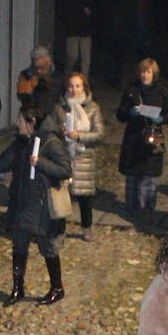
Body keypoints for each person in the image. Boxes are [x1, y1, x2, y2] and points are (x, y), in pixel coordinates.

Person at [1, 103, 72, 306]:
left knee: (48, 247)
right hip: (22, 202)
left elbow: (65, 169)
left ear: (31, 122)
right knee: (18, 244)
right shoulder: (22, 142)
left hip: (41, 206)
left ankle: (57, 288)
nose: (16, 123)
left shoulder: (51, 142)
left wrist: (40, 163)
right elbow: (6, 160)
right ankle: (17, 287)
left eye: (20, 120)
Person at [116, 58, 168, 213]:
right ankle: (131, 207)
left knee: (149, 175)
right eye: (142, 71)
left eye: (148, 72)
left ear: (153, 73)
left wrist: (160, 119)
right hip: (133, 138)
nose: (144, 75)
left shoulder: (162, 91)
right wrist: (129, 113)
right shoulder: (131, 90)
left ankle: (147, 209)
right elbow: (120, 114)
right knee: (132, 176)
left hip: (152, 138)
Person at [53, 72, 105, 241]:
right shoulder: (59, 107)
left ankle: (87, 226)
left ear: (84, 87)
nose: (74, 89)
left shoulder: (93, 108)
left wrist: (80, 136)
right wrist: (60, 133)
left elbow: (99, 133)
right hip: (64, 155)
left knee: (85, 197)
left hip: (84, 155)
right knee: (61, 195)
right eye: (71, 85)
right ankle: (60, 230)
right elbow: (50, 129)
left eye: (77, 86)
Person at [58, 0, 95, 75]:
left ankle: (84, 83)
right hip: (73, 30)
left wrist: (91, 12)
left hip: (86, 31)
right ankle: (67, 77)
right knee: (72, 57)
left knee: (86, 60)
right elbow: (66, 12)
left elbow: (96, 11)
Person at [16, 46, 56, 112]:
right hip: (33, 114)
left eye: (42, 67)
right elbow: (24, 97)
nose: (39, 71)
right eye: (36, 67)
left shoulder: (57, 76)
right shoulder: (26, 76)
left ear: (49, 62)